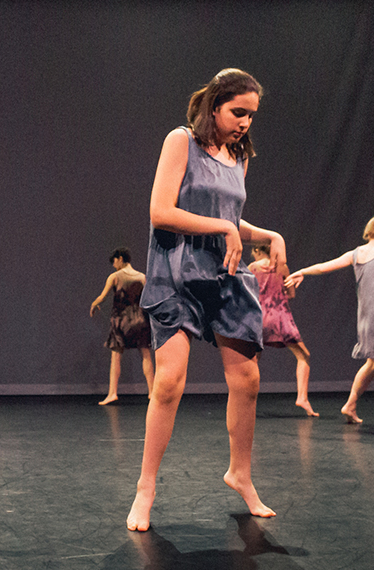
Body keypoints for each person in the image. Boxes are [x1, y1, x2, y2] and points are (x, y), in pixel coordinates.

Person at [127, 69, 281, 532]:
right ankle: (145, 488)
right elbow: (161, 212)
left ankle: (241, 474)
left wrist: (267, 233)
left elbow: (231, 218)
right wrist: (225, 228)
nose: (245, 123)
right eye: (238, 112)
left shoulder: (239, 154)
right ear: (214, 105)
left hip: (224, 274)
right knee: (170, 381)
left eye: (252, 115)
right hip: (177, 271)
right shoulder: (181, 141)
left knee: (248, 379)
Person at [286, 216, 374, 435]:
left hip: (366, 318)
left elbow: (324, 267)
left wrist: (302, 271)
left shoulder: (356, 254)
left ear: (368, 232)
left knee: (373, 363)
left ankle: (350, 405)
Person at [247, 244, 317, 416]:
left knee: (253, 359)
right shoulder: (282, 267)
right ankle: (302, 398)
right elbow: (291, 294)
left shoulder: (252, 268)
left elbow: (246, 292)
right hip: (279, 316)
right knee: (303, 356)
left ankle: (248, 402)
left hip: (258, 317)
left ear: (257, 250)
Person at [89, 247, 152, 406]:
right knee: (145, 354)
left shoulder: (115, 277)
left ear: (121, 258)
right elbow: (148, 300)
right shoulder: (142, 277)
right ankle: (152, 391)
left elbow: (102, 296)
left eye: (114, 261)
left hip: (121, 320)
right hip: (139, 319)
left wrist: (93, 305)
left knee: (116, 356)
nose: (114, 265)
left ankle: (112, 393)